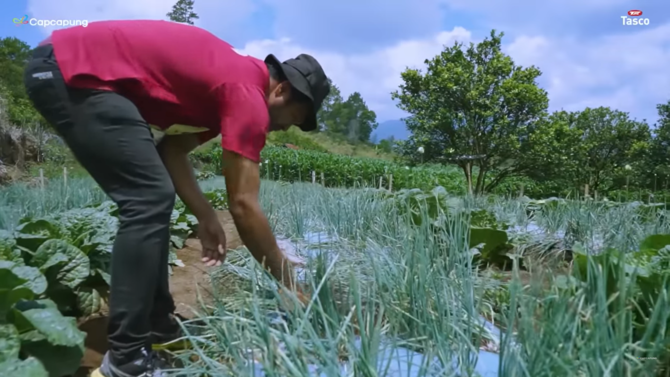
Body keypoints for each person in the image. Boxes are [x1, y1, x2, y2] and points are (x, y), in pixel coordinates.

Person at [23, 19, 330, 377]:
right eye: (294, 119)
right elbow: (244, 204)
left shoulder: (229, 87)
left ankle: (157, 325)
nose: (285, 128)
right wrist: (289, 283)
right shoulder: (247, 94)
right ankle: (126, 359)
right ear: (282, 92)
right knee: (147, 198)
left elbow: (172, 150)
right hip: (71, 71)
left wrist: (204, 215)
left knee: (151, 195)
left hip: (71, 66)